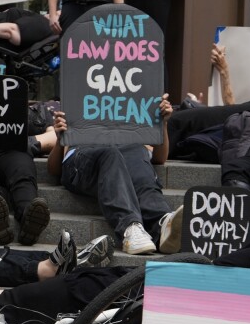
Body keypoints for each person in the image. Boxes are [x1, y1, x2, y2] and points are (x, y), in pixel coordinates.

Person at [48, 96, 180, 255]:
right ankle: (129, 227)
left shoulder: (130, 119)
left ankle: (161, 225)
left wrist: (162, 123)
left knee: (137, 151)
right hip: (83, 157)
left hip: (123, 151)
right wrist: (60, 140)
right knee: (110, 153)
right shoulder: (80, 102)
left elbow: (159, 158)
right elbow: (54, 170)